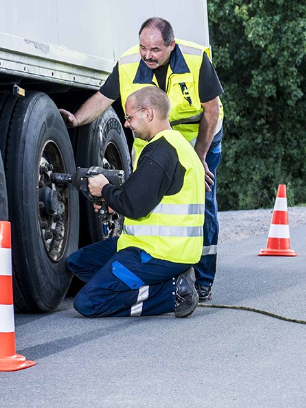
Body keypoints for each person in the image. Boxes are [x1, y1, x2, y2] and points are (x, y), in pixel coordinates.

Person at [60, 17, 223, 302]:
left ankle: (202, 281)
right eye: (143, 47)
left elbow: (212, 111)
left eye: (156, 49)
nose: (147, 55)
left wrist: (199, 156)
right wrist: (77, 119)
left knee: (202, 201)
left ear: (172, 46)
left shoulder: (196, 60)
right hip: (153, 140)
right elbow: (103, 98)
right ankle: (158, 265)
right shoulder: (127, 64)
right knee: (150, 195)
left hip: (198, 137)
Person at [67, 86, 205, 318]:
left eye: (130, 117)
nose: (127, 123)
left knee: (88, 303)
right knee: (78, 262)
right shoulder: (176, 146)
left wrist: (105, 189)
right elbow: (145, 196)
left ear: (148, 114)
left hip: (159, 253)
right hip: (150, 245)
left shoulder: (161, 150)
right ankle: (156, 282)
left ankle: (173, 293)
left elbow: (135, 205)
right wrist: (113, 201)